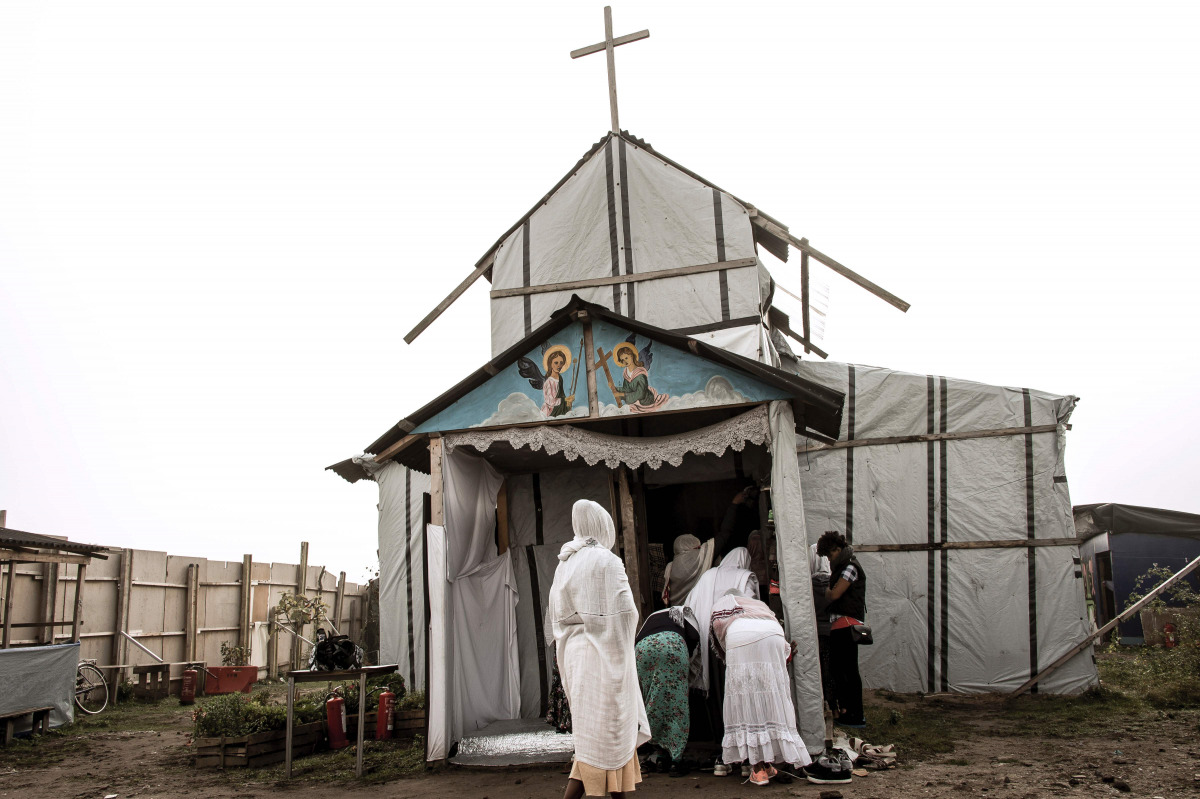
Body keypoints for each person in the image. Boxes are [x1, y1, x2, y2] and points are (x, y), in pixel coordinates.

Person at [548, 500, 651, 799]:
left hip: (575, 656)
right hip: (603, 657)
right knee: (609, 730)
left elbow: (556, 616)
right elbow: (625, 613)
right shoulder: (606, 561)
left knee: (594, 734)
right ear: (603, 526)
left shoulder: (564, 563)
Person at [710, 588, 810, 786]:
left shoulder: (721, 607)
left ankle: (757, 768)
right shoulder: (758, 605)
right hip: (772, 635)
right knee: (772, 696)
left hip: (740, 638)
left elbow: (721, 645)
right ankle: (768, 762)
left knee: (745, 699)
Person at [661, 485, 760, 606]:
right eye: (697, 547)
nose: (700, 548)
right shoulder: (696, 559)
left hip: (677, 613)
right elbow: (725, 534)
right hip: (696, 611)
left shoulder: (671, 567)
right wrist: (734, 503)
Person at [634, 606, 701, 776]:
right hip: (672, 646)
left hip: (642, 649)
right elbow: (693, 639)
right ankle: (675, 760)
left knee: (652, 699)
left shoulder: (652, 617)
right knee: (677, 704)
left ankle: (655, 751)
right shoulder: (689, 619)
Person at [816, 531, 867, 729]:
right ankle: (848, 711)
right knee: (841, 671)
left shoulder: (850, 568)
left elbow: (834, 594)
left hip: (847, 625)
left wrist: (828, 592)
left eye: (830, 555)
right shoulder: (842, 567)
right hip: (840, 625)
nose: (829, 559)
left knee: (848, 672)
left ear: (838, 549)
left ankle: (855, 714)